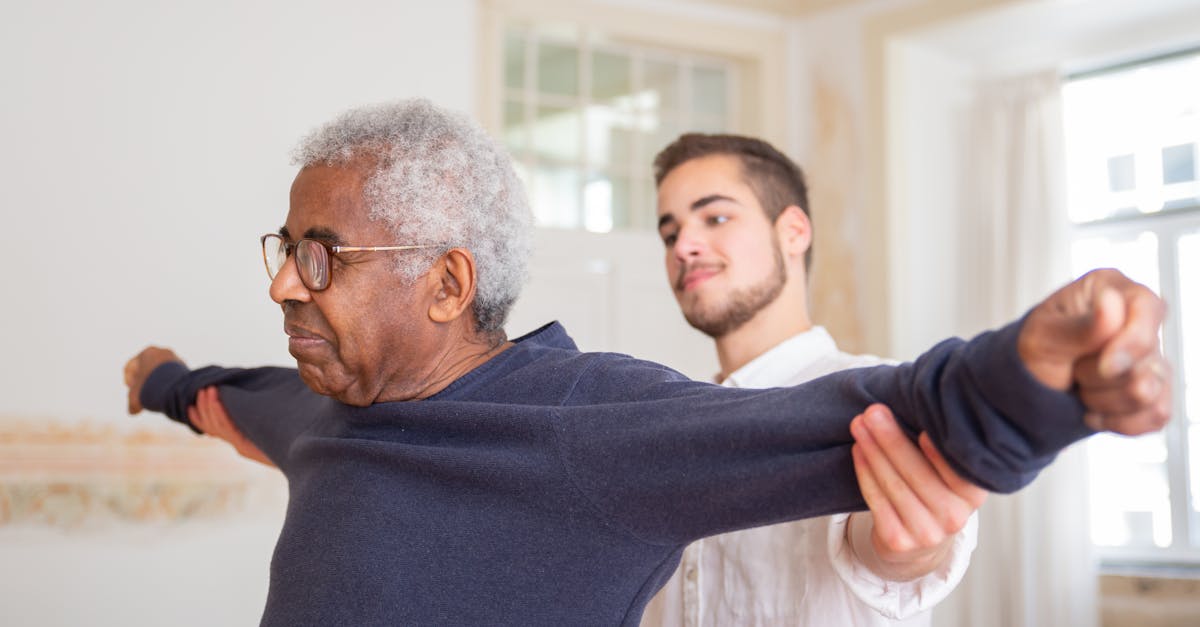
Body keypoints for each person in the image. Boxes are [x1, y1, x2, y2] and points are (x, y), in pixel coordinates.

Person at [124, 99, 1170, 626]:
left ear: (447, 286)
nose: (284, 287)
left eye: (321, 258)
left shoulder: (595, 422)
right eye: (670, 224)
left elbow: (886, 411)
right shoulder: (320, 416)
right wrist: (164, 382)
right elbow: (235, 399)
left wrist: (1043, 379)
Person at [642, 134, 983, 626]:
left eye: (715, 217)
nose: (684, 247)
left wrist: (910, 548)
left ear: (794, 232)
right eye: (670, 234)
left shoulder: (876, 400)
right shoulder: (666, 425)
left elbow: (894, 556)